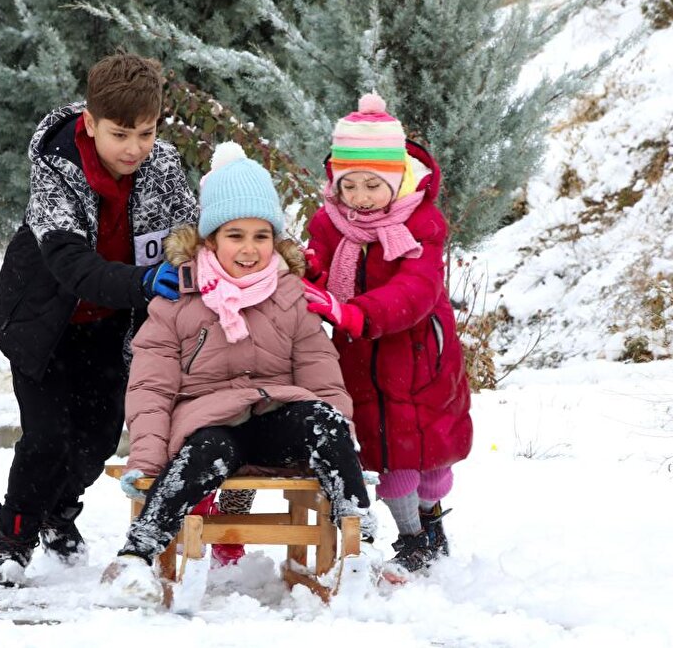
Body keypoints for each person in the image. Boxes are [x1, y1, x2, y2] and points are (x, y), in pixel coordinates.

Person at [99, 143, 377, 607]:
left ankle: (359, 542)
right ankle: (136, 554)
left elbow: (324, 380)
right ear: (209, 240)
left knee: (324, 418)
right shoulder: (177, 299)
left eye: (261, 236)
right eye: (235, 236)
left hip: (275, 422)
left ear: (275, 240)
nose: (249, 249)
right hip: (209, 426)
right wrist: (146, 459)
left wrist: (341, 448)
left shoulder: (291, 297)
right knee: (205, 450)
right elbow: (151, 387)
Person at [0, 53, 198, 586]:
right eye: (120, 134)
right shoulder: (56, 166)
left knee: (99, 440)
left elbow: (193, 226)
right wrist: (144, 282)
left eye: (146, 133)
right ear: (91, 122)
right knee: (47, 439)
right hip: (45, 323)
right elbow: (69, 262)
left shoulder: (163, 165)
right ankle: (11, 541)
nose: (134, 148)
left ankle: (59, 511)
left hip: (113, 326)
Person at [302, 93, 473, 580]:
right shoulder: (330, 223)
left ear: (396, 180)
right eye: (349, 184)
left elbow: (414, 290)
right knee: (388, 453)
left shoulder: (421, 224)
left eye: (372, 184)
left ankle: (431, 517)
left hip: (419, 357)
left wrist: (353, 313)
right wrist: (307, 273)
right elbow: (316, 267)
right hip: (359, 361)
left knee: (429, 458)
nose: (359, 196)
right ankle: (414, 538)